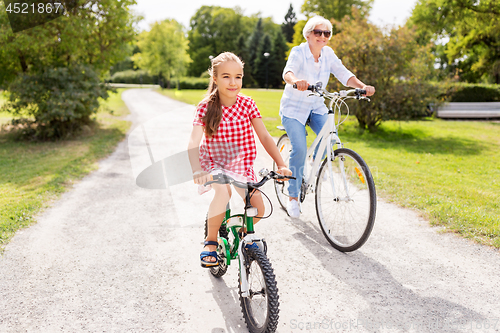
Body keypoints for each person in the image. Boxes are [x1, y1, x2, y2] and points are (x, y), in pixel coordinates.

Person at [188, 52, 292, 268]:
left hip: (241, 166)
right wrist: (197, 169)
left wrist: (281, 164)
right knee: (223, 192)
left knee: (259, 208)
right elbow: (193, 142)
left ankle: (242, 238)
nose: (233, 82)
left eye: (238, 76)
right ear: (215, 78)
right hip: (214, 165)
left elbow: (264, 136)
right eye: (226, 76)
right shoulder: (206, 106)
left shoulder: (247, 104)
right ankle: (211, 242)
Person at [279, 16, 376, 218]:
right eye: (318, 32)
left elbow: (344, 73)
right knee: (299, 147)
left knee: (331, 137)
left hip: (316, 105)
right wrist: (296, 81)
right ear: (308, 34)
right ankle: (293, 198)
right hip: (294, 108)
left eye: (326, 33)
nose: (322, 36)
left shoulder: (328, 54)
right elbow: (287, 72)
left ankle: (316, 162)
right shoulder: (299, 51)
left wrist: (362, 87)